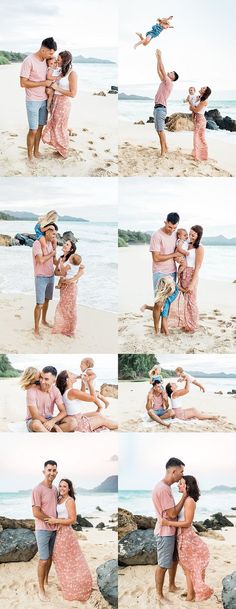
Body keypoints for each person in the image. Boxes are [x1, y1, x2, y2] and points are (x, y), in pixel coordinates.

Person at [160, 476, 213, 601]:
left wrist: (168, 523)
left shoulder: (189, 501)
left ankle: (190, 597)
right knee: (187, 568)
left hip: (186, 537)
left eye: (181, 483)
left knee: (187, 569)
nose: (178, 485)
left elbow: (188, 522)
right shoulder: (186, 499)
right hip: (182, 537)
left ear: (187, 486)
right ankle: (191, 594)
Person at [45, 478, 92, 601]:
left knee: (68, 560)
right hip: (58, 532)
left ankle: (75, 588)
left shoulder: (70, 501)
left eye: (64, 486)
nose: (61, 488)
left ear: (69, 488)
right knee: (60, 559)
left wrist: (56, 521)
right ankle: (67, 584)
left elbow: (72, 519)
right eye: (60, 486)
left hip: (66, 534)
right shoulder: (59, 499)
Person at [152, 457, 186, 603]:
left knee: (173, 560)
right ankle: (159, 594)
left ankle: (171, 586)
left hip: (170, 531)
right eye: (181, 471)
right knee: (163, 564)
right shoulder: (163, 489)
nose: (182, 475)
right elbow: (172, 514)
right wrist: (184, 496)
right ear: (174, 471)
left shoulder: (166, 487)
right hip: (164, 533)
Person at [20, 37, 57, 160]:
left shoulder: (46, 61)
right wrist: (43, 83)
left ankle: (36, 152)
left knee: (40, 127)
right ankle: (30, 157)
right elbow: (23, 83)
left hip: (44, 100)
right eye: (50, 53)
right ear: (43, 50)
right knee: (33, 130)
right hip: (32, 101)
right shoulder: (28, 61)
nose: (52, 56)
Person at [32, 460, 58, 602]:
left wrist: (60, 522)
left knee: (50, 558)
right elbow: (36, 512)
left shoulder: (54, 489)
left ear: (56, 472)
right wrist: (51, 520)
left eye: (54, 470)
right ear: (44, 471)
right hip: (42, 529)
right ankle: (41, 589)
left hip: (54, 529)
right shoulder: (37, 489)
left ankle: (46, 581)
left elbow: (56, 507)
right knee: (43, 560)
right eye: (49, 470)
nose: (51, 473)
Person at [42, 51, 77, 158]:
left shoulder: (72, 74)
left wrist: (57, 88)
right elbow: (49, 77)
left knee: (61, 126)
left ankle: (64, 151)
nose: (57, 60)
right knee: (54, 124)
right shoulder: (61, 71)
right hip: (55, 101)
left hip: (63, 103)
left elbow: (73, 94)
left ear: (65, 60)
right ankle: (59, 148)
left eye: (59, 59)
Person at [170, 225, 204, 333]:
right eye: (190, 234)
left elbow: (197, 267)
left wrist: (192, 284)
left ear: (198, 235)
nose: (190, 236)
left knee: (191, 301)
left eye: (193, 235)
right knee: (185, 300)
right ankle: (186, 323)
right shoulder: (186, 244)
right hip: (183, 274)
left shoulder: (199, 248)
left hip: (191, 274)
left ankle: (192, 326)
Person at [21, 366, 77, 432]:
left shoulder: (55, 391)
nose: (42, 381)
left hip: (49, 418)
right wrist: (54, 425)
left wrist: (52, 421)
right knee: (36, 424)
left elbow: (63, 411)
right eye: (41, 378)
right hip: (34, 420)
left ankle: (45, 432)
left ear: (53, 381)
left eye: (46, 379)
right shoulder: (31, 390)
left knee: (72, 422)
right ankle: (51, 436)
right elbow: (35, 416)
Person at [52, 240, 83, 337]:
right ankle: (63, 327)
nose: (65, 245)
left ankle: (70, 330)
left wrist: (72, 279)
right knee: (63, 306)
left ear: (71, 249)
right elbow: (56, 273)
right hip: (63, 286)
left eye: (67, 244)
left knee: (70, 308)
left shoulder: (74, 258)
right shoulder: (61, 258)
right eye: (65, 243)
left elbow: (82, 271)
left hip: (70, 286)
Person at [32, 223, 58, 338]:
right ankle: (36, 329)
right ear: (46, 231)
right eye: (52, 232)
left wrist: (67, 261)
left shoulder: (51, 244)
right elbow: (40, 260)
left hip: (51, 276)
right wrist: (52, 254)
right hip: (41, 277)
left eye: (55, 233)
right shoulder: (37, 244)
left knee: (47, 300)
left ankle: (43, 321)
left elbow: (54, 261)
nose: (54, 234)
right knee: (39, 304)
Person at [154, 50, 179, 156]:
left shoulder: (168, 82)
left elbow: (162, 69)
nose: (170, 72)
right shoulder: (165, 81)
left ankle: (163, 151)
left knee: (160, 131)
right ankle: (166, 147)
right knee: (158, 130)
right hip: (157, 108)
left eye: (172, 72)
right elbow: (159, 71)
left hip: (161, 108)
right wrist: (157, 59)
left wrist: (160, 56)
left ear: (173, 78)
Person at [189, 86, 212, 161]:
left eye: (204, 88)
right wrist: (192, 106)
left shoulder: (204, 101)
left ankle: (200, 156)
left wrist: (191, 104)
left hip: (201, 120)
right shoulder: (200, 98)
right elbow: (192, 108)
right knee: (198, 137)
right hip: (198, 119)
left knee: (198, 138)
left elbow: (196, 110)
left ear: (205, 92)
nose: (202, 87)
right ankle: (198, 154)